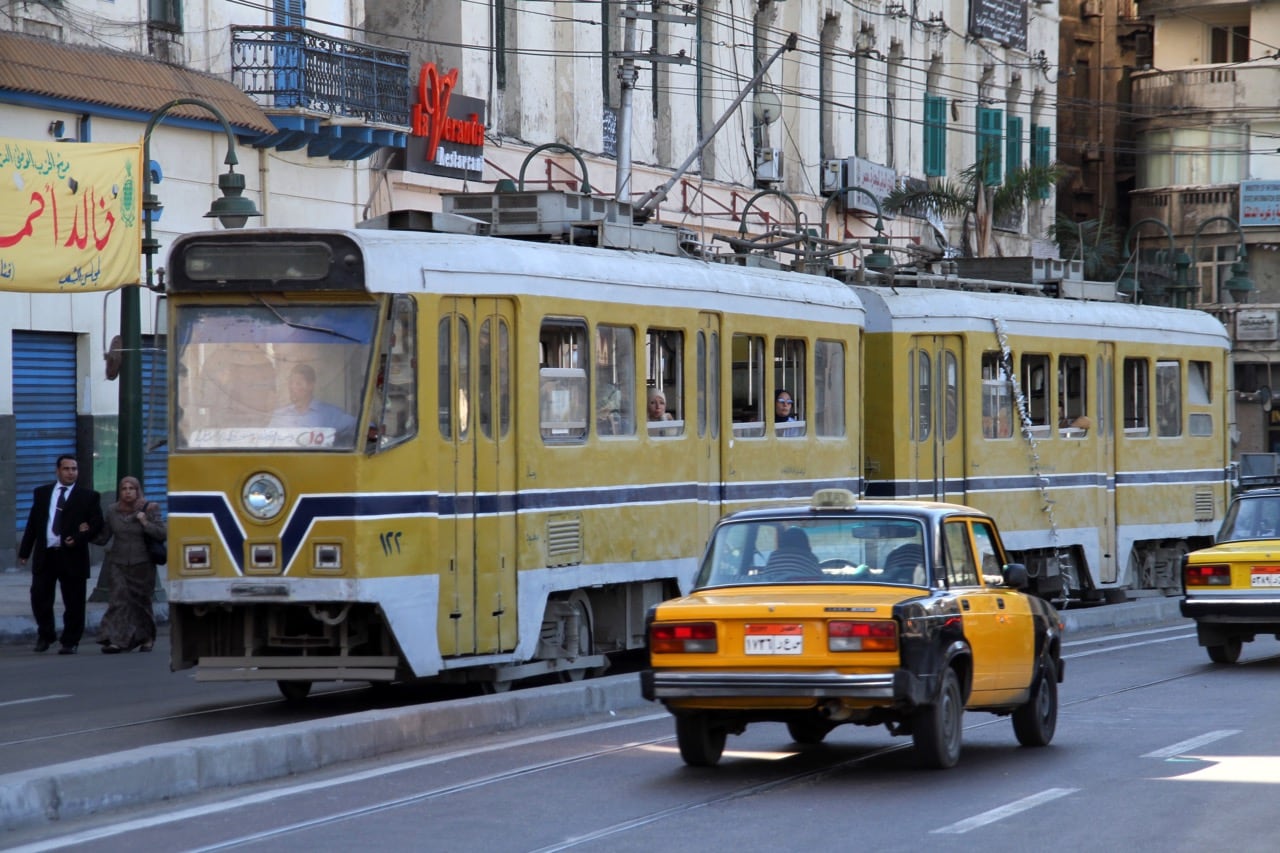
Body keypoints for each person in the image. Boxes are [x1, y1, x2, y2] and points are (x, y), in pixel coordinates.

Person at [18, 454, 104, 654]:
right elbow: (33, 524)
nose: (70, 472)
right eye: (66, 469)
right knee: (39, 597)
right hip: (46, 554)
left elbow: (96, 523)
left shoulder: (88, 496)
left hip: (72, 555)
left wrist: (79, 537)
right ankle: (46, 635)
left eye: (74, 469)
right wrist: (25, 551)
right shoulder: (42, 493)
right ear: (58, 471)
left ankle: (70, 640)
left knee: (74, 601)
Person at [92, 476, 166, 653]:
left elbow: (162, 534)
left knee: (141, 603)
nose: (127, 492)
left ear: (137, 490)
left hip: (142, 563)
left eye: (131, 488)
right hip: (118, 562)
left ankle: (147, 637)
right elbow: (104, 536)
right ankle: (115, 640)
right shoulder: (112, 510)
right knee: (118, 600)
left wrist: (144, 522)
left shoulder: (150, 508)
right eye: (124, 488)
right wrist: (85, 531)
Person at [269, 363, 358, 444]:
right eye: (290, 383)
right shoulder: (279, 415)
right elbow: (267, 441)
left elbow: (362, 428)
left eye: (298, 383)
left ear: (311, 385)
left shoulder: (329, 414)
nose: (292, 387)